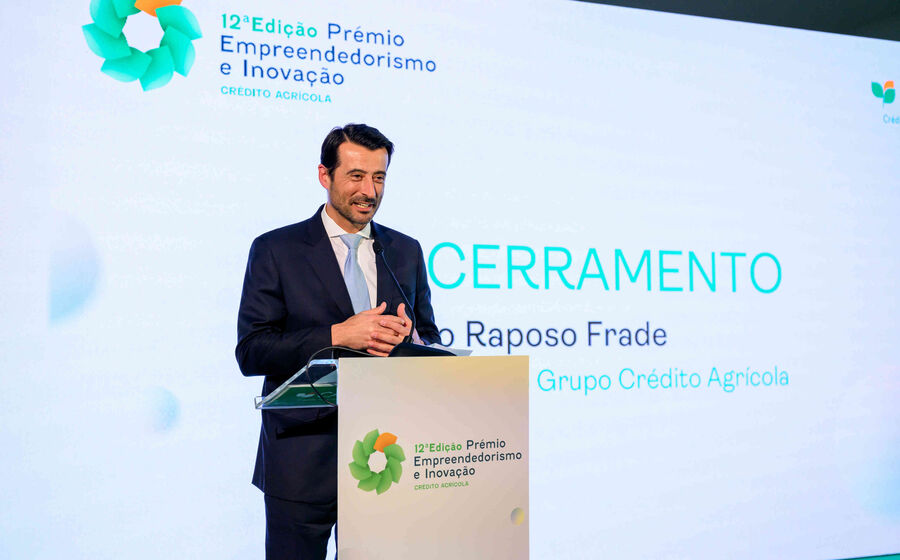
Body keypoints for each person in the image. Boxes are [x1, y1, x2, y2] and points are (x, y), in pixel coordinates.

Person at [235, 124, 441, 559]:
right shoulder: (277, 249)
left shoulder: (404, 250)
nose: (369, 191)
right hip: (301, 461)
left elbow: (430, 338)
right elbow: (252, 351)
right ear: (324, 175)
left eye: (379, 177)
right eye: (356, 176)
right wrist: (338, 335)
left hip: (387, 459)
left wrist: (412, 341)